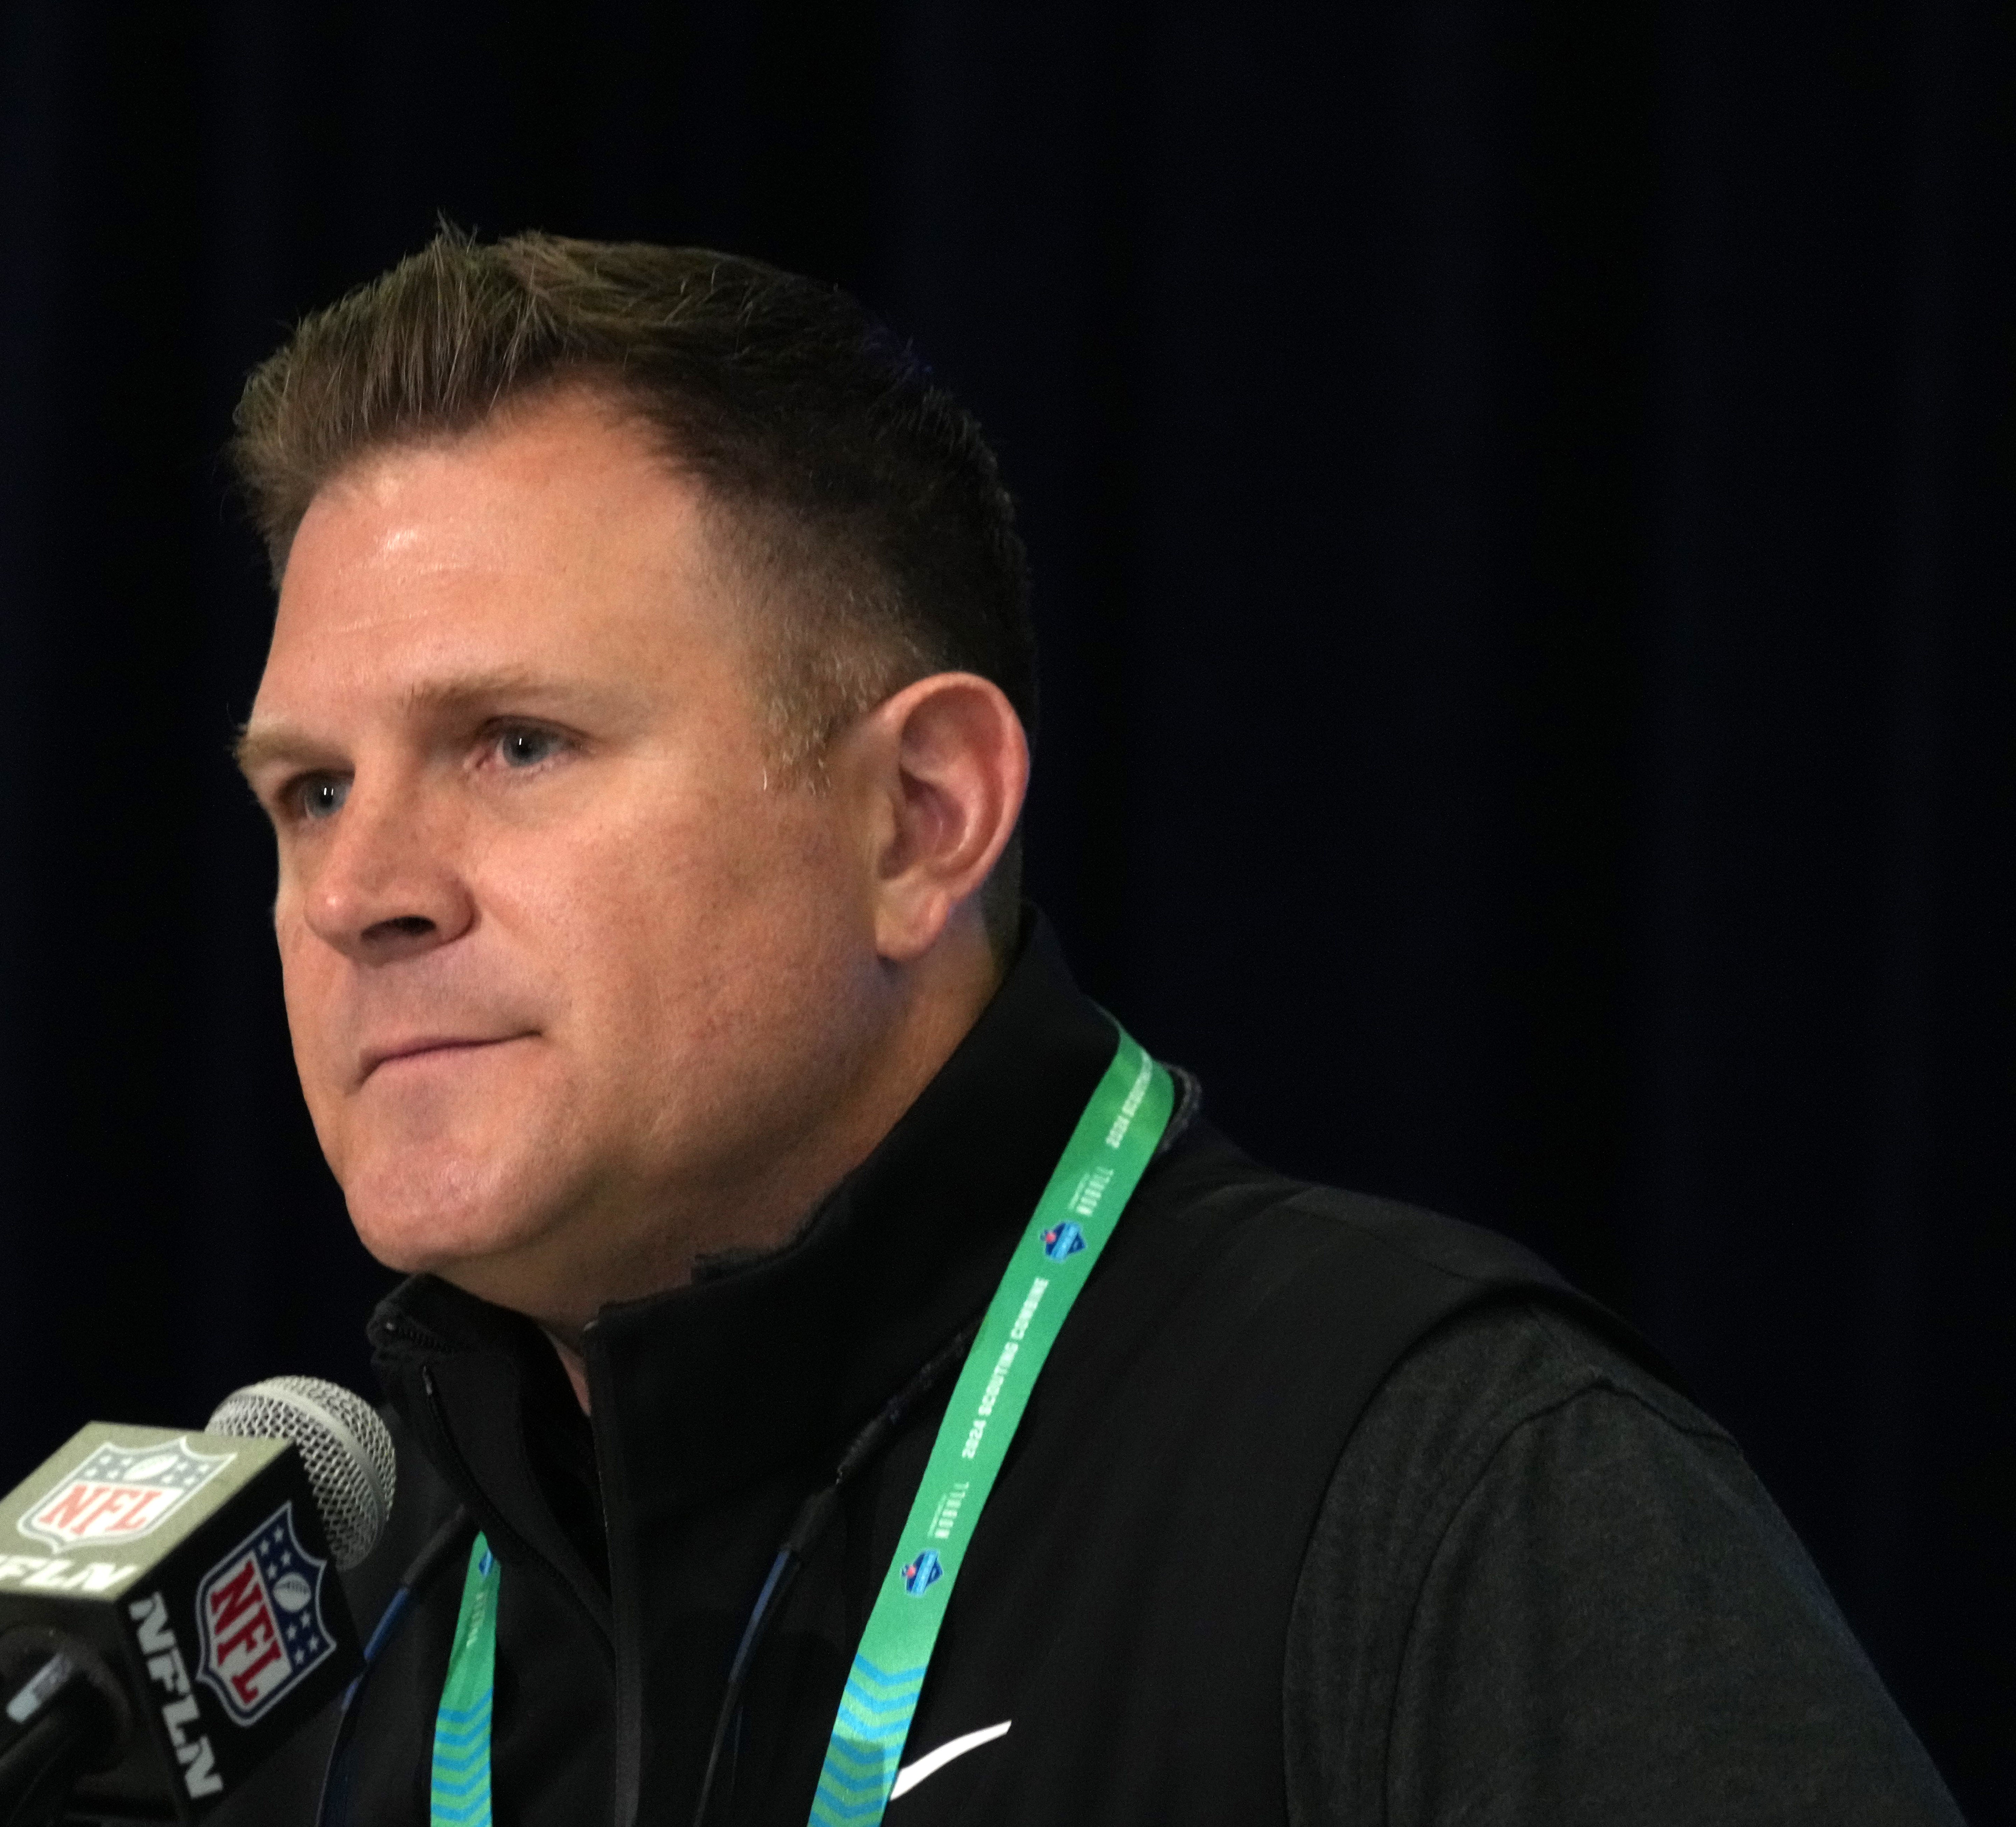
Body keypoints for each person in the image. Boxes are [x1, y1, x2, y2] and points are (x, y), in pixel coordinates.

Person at [218, 230, 1959, 1827]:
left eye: (518, 742)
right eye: (309, 790)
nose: (362, 887)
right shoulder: (337, 1638)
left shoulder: (1453, 1484)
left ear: (922, 815)